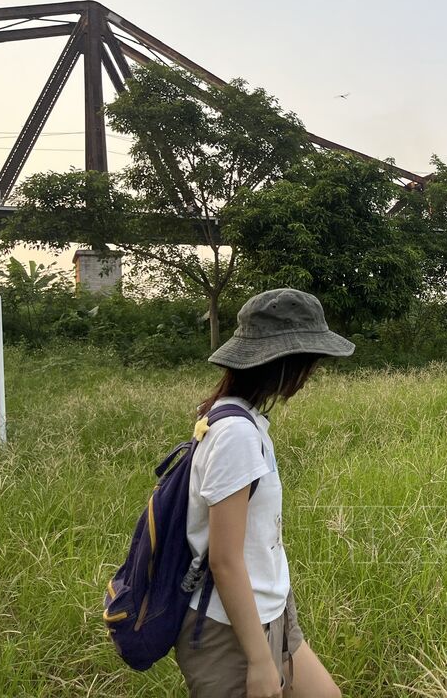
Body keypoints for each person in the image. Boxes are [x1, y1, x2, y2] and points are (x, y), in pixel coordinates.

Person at [174, 288, 352, 698]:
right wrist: (258, 660)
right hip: (230, 629)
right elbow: (224, 559)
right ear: (285, 363)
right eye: (310, 362)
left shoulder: (243, 419)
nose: (310, 375)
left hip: (271, 609)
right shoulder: (236, 433)